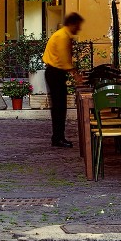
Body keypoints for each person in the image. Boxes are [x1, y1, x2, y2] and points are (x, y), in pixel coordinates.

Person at [41, 12, 83, 148]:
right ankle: (58, 137)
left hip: (54, 72)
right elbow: (65, 60)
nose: (79, 28)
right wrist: (76, 75)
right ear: (72, 24)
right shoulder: (63, 37)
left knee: (59, 106)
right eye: (78, 25)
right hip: (55, 73)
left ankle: (58, 136)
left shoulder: (62, 35)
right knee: (59, 107)